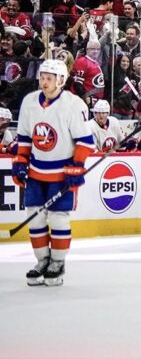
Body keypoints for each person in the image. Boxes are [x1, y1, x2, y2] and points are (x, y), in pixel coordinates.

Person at [11, 59, 93, 286]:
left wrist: (77, 165)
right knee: (35, 217)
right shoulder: (29, 102)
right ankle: (42, 260)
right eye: (42, 77)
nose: (44, 82)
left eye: (49, 78)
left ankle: (57, 261)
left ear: (61, 80)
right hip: (37, 171)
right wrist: (21, 162)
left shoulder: (73, 104)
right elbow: (26, 137)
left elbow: (86, 141)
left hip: (62, 173)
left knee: (58, 218)